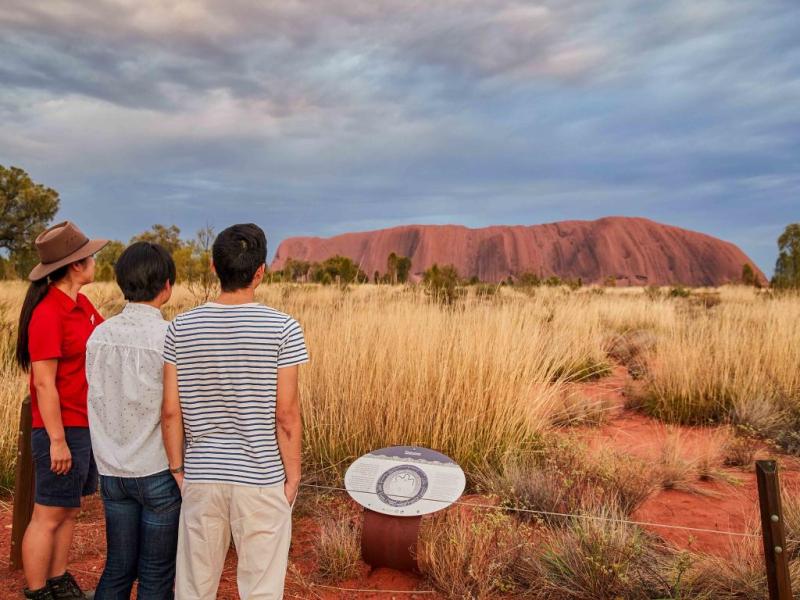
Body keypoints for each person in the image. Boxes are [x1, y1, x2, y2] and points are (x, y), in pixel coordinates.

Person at [161, 223, 308, 599]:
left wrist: (178, 468)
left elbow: (170, 412)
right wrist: (292, 478)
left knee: (194, 587)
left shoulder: (180, 328)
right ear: (260, 272)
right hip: (261, 476)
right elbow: (286, 415)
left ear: (213, 267)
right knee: (261, 588)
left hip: (202, 475)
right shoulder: (284, 329)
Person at [15, 221, 109, 600]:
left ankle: (58, 581)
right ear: (75, 265)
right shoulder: (48, 313)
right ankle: (37, 591)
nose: (94, 262)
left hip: (82, 424)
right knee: (47, 514)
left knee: (67, 510)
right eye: (90, 256)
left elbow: (106, 341)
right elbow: (42, 383)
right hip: (61, 428)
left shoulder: (81, 305)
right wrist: (56, 440)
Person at [85, 242, 180, 600]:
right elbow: (175, 409)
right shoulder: (169, 338)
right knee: (156, 575)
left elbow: (95, 393)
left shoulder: (98, 336)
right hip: (157, 470)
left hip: (111, 470)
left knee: (118, 567)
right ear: (167, 285)